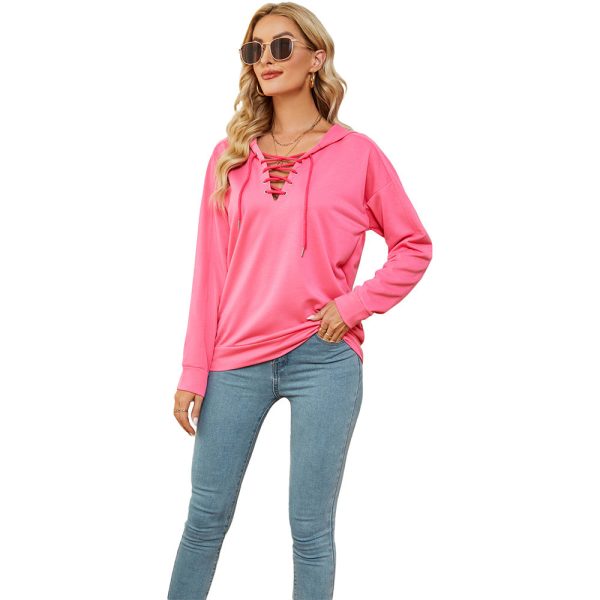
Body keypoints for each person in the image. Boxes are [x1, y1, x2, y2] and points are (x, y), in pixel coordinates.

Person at [167, 3, 433, 599]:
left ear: (317, 58)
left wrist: (354, 306)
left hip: (324, 358)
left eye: (281, 46)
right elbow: (209, 273)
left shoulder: (359, 154)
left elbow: (413, 246)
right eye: (254, 50)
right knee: (204, 521)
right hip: (234, 358)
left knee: (311, 530)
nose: (266, 59)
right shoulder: (231, 156)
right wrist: (193, 370)